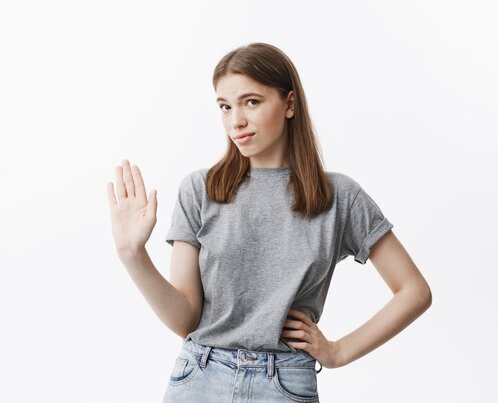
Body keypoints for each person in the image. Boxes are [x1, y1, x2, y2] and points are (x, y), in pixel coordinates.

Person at [106, 42, 432, 402]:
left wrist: (338, 351)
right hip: (199, 378)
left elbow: (414, 292)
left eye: (251, 102)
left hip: (284, 384)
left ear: (289, 104)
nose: (236, 121)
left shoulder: (339, 196)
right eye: (225, 107)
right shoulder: (200, 189)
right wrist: (131, 254)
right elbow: (184, 318)